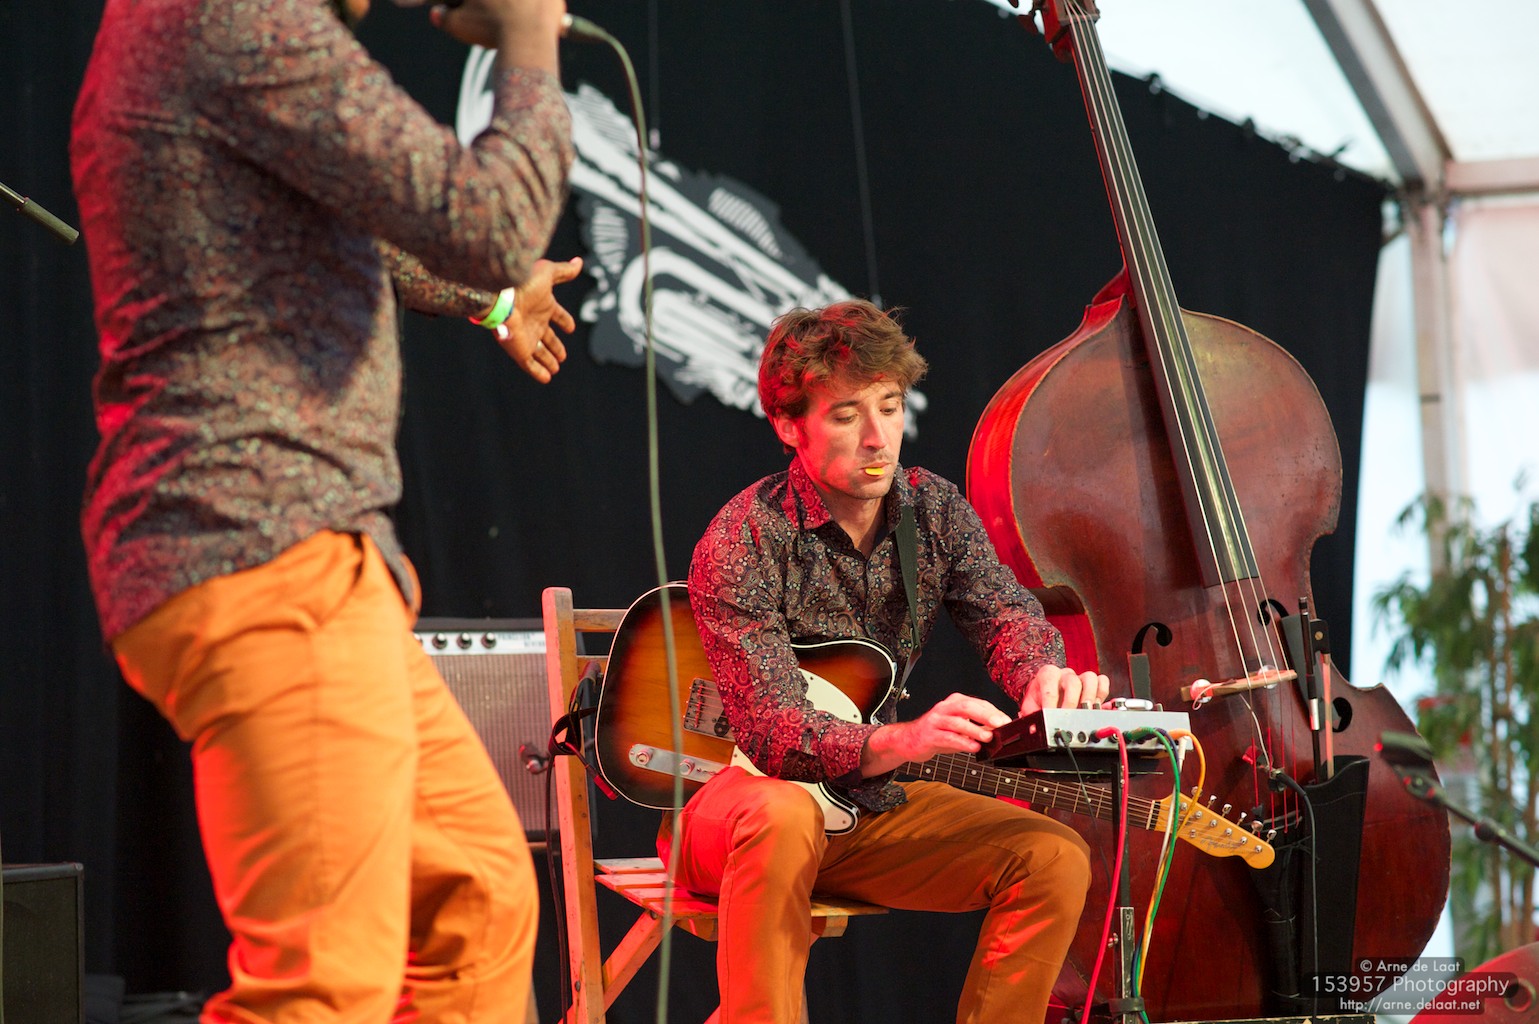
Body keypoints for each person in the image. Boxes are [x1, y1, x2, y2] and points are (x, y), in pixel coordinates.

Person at [70, 0, 575, 1020]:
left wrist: (490, 301)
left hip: (299, 554)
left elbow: (377, 229)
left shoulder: (199, 32)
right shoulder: (235, 19)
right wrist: (528, 32)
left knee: (476, 902)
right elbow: (488, 224)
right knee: (320, 986)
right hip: (262, 542)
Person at [679, 299, 1110, 1023]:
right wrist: (901, 740)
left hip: (861, 811)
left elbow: (1004, 613)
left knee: (1054, 857)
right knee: (783, 814)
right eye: (847, 415)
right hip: (738, 811)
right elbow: (771, 731)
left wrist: (1040, 672)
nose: (879, 437)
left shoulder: (932, 509)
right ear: (789, 427)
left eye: (890, 407)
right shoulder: (743, 536)